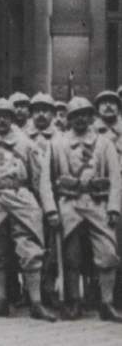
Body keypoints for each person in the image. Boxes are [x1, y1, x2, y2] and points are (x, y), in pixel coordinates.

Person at [0, 98, 58, 322]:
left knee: (30, 250)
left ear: (13, 118)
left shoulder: (27, 144)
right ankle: (0, 300)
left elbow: (40, 179)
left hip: (21, 198)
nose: (2, 120)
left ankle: (36, 302)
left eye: (7, 115)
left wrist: (48, 209)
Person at [49, 97, 122, 322]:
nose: (80, 119)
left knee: (107, 254)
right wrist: (51, 209)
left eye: (84, 114)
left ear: (91, 117)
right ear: (68, 119)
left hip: (97, 203)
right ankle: (74, 301)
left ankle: (106, 303)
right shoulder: (57, 143)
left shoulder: (104, 143)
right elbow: (46, 179)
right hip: (69, 205)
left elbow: (115, 178)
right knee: (71, 258)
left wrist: (113, 207)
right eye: (75, 115)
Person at [25, 92, 60, 306]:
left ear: (53, 114)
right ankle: (27, 291)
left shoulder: (61, 138)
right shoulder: (21, 137)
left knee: (53, 245)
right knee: (29, 244)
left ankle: (49, 288)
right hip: (28, 198)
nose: (41, 115)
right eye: (36, 110)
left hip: (54, 199)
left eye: (45, 110)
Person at [94, 89, 122, 307]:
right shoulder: (92, 133)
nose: (109, 107)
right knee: (105, 245)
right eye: (104, 103)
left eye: (112, 102)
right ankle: (98, 296)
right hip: (103, 194)